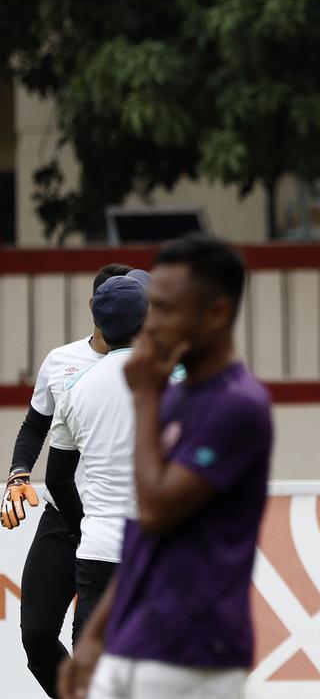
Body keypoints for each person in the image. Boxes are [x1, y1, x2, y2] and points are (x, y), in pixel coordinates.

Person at [58, 235, 273, 699]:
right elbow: (146, 533)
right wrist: (94, 636)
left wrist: (143, 398)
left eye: (167, 309)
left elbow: (155, 510)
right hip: (141, 632)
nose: (150, 323)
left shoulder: (237, 406)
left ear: (215, 314)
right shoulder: (176, 395)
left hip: (194, 647)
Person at [4, 263, 133, 697]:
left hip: (112, 522)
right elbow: (34, 427)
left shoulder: (154, 369)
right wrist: (17, 473)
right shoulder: (62, 363)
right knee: (37, 636)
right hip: (66, 518)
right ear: (97, 309)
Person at [47, 270, 153, 646]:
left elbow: (58, 479)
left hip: (98, 551)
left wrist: (83, 526)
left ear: (101, 325)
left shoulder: (76, 388)